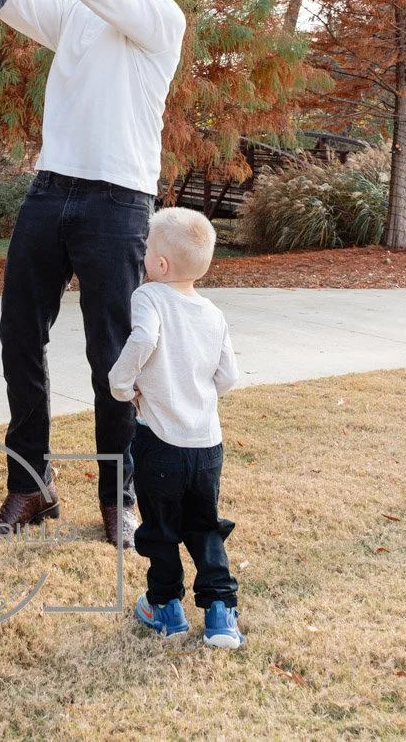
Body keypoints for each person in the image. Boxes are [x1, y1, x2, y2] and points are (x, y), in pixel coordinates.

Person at [0, 0, 186, 548]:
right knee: (17, 339)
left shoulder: (159, 20)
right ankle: (29, 487)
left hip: (118, 201)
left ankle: (117, 499)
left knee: (111, 356)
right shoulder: (78, 16)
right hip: (51, 190)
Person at [108, 208, 245, 649]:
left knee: (161, 529)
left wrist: (120, 383)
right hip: (207, 445)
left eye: (148, 249)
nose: (143, 255)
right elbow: (229, 377)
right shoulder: (213, 312)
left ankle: (165, 608)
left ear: (161, 265)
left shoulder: (149, 297)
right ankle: (221, 613)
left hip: (159, 443)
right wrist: (197, 397)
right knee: (204, 525)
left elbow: (144, 340)